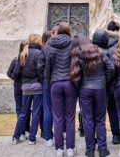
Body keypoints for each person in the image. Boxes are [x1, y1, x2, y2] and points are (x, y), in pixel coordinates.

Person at [72, 34, 115, 157]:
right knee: (100, 119)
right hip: (100, 89)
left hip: (85, 89)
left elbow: (75, 74)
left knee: (88, 120)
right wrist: (104, 81)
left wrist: (80, 87)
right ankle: (102, 149)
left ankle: (90, 149)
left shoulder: (79, 54)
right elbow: (111, 69)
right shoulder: (99, 52)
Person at [44, 23, 76, 157]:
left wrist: (49, 83)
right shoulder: (72, 45)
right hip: (69, 83)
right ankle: (70, 148)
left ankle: (59, 148)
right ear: (69, 31)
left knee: (57, 117)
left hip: (56, 83)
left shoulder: (51, 46)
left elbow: (48, 67)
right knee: (70, 116)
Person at [8, 34, 44, 145]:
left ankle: (16, 136)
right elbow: (40, 70)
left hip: (25, 87)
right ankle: (32, 137)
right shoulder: (39, 53)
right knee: (36, 112)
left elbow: (17, 72)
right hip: (37, 86)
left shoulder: (23, 54)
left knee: (23, 112)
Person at [93, 27, 120, 145]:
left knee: (99, 111)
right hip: (113, 84)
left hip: (100, 83)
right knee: (113, 109)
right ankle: (116, 135)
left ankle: (99, 135)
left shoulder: (98, 49)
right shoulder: (117, 48)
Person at [7, 40, 30, 140]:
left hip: (21, 85)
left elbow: (10, 73)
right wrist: (14, 77)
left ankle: (24, 131)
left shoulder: (20, 59)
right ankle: (24, 131)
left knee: (22, 109)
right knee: (23, 109)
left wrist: (14, 77)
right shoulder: (19, 59)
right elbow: (9, 73)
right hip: (22, 86)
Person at [40, 31, 55, 146]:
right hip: (61, 80)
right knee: (62, 110)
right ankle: (63, 133)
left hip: (47, 81)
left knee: (48, 109)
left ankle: (48, 137)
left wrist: (43, 79)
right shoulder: (66, 47)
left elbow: (39, 67)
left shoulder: (45, 49)